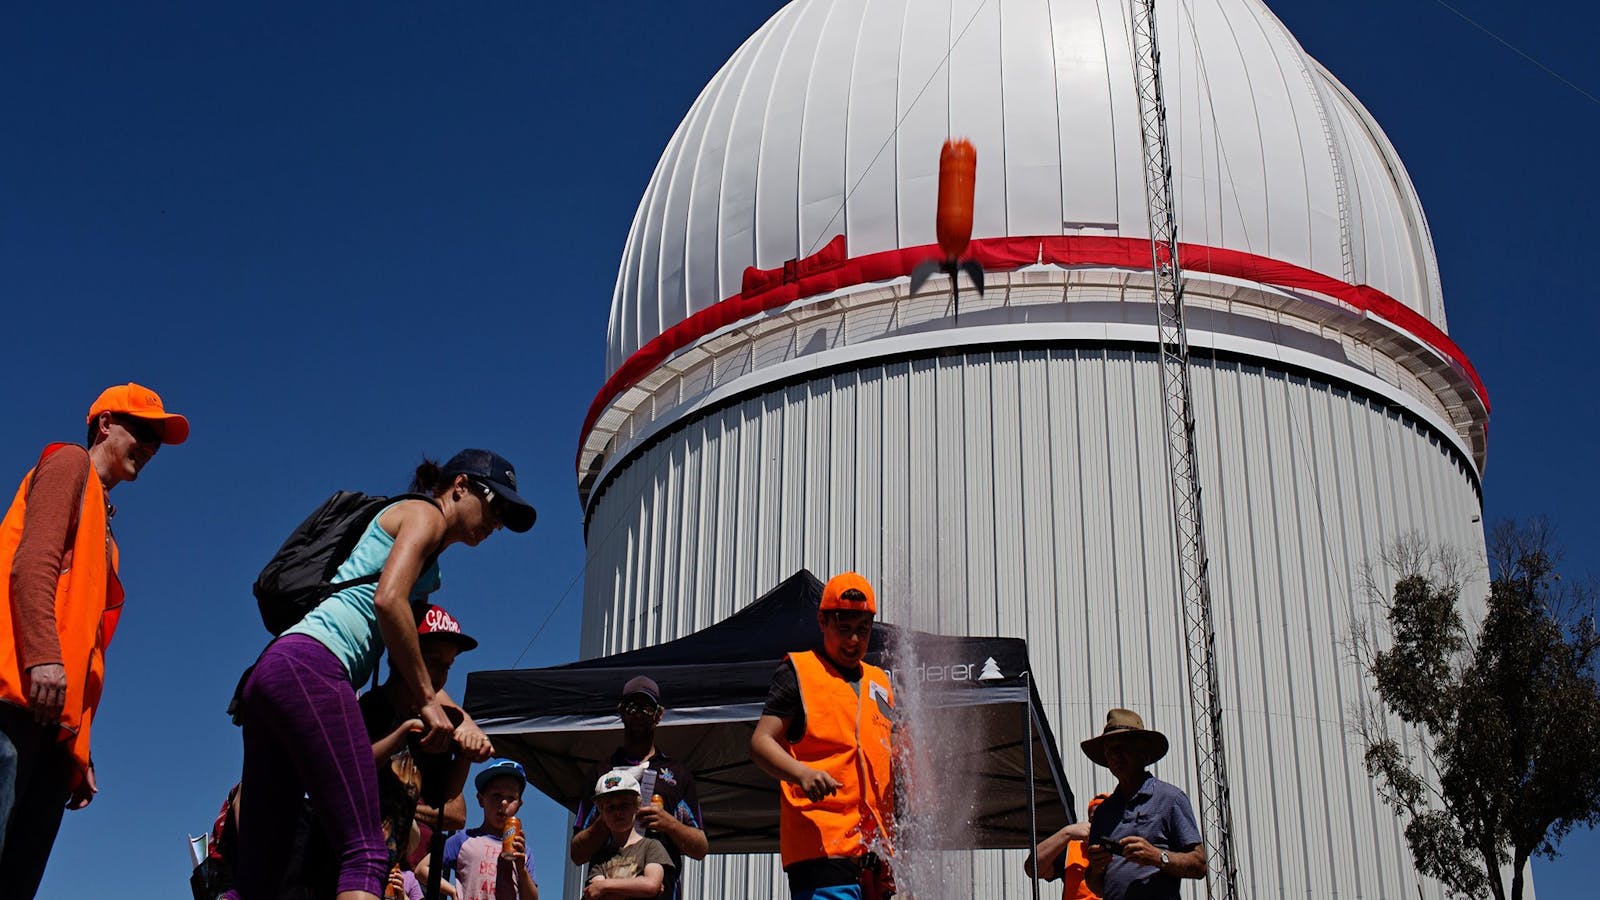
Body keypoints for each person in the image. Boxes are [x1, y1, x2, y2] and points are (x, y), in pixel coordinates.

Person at [228, 449, 535, 900]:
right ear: (461, 486)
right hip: (315, 666)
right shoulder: (423, 514)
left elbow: (408, 659)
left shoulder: (430, 572)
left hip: (274, 672)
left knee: (260, 875)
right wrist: (431, 704)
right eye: (496, 504)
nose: (498, 521)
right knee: (367, 853)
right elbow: (388, 601)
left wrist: (459, 718)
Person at [0, 382, 189, 896]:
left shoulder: (106, 530)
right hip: (14, 705)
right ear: (104, 425)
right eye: (144, 432)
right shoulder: (68, 465)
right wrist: (42, 657)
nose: (150, 448)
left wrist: (79, 749)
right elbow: (30, 565)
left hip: (50, 724)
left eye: (157, 441)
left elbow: (86, 645)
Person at [751, 572, 897, 900]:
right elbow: (761, 743)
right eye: (844, 629)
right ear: (822, 622)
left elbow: (891, 747)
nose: (853, 641)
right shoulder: (799, 672)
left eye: (863, 630)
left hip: (876, 855)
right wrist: (801, 773)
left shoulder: (881, 683)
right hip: (821, 850)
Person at [364, 604, 480, 866]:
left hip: (397, 869)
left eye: (448, 666)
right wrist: (403, 731)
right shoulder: (372, 709)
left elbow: (447, 797)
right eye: (432, 661)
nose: (440, 675)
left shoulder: (432, 727)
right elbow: (350, 769)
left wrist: (465, 754)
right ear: (403, 656)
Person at [570, 676, 706, 900]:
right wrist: (608, 818)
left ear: (659, 714)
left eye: (647, 707)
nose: (639, 714)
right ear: (621, 712)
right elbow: (577, 854)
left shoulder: (678, 774)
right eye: (632, 706)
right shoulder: (600, 773)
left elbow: (700, 848)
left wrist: (668, 822)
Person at [1080, 709, 1207, 900]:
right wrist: (1096, 868)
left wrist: (1157, 856)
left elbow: (1199, 865)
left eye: (1122, 748)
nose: (1115, 756)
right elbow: (1097, 887)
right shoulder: (1103, 812)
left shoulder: (1170, 799)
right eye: (1110, 750)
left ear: (1143, 754)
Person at [442, 759, 539, 900]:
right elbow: (422, 869)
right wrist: (451, 890)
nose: (504, 802)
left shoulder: (523, 852)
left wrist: (521, 870)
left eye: (511, 798)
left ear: (519, 805)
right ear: (481, 800)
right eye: (496, 795)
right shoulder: (464, 840)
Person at [581, 769, 674, 900]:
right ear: (601, 813)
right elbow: (596, 894)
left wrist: (605, 885)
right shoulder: (599, 857)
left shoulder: (651, 846)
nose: (617, 812)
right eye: (610, 807)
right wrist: (639, 886)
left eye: (624, 805)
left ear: (637, 805)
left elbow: (651, 885)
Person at [1024, 793, 1109, 900]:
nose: (1099, 824)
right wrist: (1066, 833)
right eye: (1094, 819)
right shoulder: (1073, 849)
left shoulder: (1126, 848)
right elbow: (1032, 869)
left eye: (1104, 818)